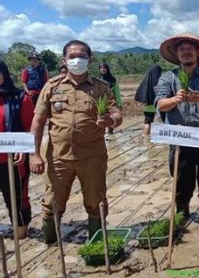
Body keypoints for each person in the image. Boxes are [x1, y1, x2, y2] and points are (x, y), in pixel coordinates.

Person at [30, 40, 122, 244]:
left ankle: (96, 246)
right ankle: (50, 245)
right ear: (64, 60)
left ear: (89, 59)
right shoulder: (52, 86)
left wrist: (111, 120)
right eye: (72, 57)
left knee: (95, 201)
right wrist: (34, 154)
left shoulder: (101, 88)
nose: (76, 60)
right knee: (52, 202)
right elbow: (38, 121)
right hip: (58, 157)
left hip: (92, 157)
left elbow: (117, 114)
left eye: (81, 56)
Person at [155, 33, 199, 226]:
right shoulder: (168, 78)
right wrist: (175, 99)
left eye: (190, 48)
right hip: (180, 134)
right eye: (182, 49)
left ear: (197, 53)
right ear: (177, 54)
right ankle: (182, 215)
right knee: (181, 178)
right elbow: (161, 104)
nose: (186, 52)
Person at [0, 60, 34, 239]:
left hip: (12, 159)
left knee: (16, 197)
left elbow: (30, 126)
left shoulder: (20, 98)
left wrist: (25, 148)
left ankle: (20, 231)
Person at [134, 64, 164, 135]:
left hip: (148, 104)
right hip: (159, 104)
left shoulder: (145, 80)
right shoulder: (160, 80)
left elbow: (140, 91)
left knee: (148, 121)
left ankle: (146, 137)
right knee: (163, 120)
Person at [99, 63, 123, 134]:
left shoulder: (113, 80)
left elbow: (117, 93)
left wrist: (119, 103)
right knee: (101, 120)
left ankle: (110, 133)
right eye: (101, 68)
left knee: (111, 119)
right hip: (100, 104)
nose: (103, 69)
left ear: (107, 69)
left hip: (111, 103)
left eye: (104, 68)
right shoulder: (97, 79)